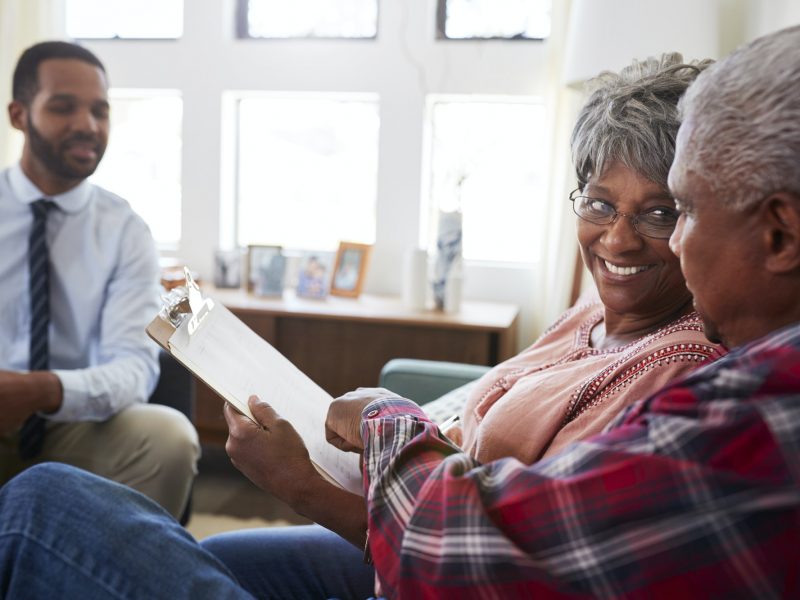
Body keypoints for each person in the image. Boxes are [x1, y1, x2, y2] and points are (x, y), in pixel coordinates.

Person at [0, 42, 765, 598]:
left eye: (660, 213)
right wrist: (379, 431)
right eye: (599, 204)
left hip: (418, 566)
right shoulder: (594, 314)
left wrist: (309, 487)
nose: (619, 239)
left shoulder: (676, 373)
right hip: (396, 530)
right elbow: (468, 440)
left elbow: (497, 563)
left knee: (47, 505)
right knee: (148, 551)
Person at [0, 40, 199, 519]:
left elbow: (133, 368)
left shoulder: (126, 231)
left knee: (169, 439)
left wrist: (44, 390)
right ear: (19, 115)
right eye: (64, 107)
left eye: (99, 110)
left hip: (73, 421)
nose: (87, 125)